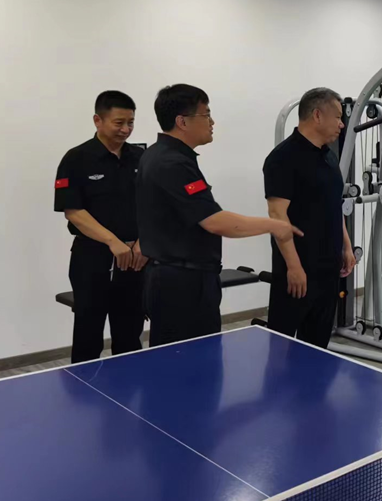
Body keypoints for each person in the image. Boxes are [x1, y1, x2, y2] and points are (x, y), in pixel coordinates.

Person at [137, 84, 301, 346]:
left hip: (178, 278)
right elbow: (215, 221)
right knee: (190, 361)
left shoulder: (159, 155)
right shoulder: (172, 163)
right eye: (206, 115)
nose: (212, 122)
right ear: (182, 121)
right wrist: (274, 225)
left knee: (187, 359)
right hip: (182, 285)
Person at [54, 90, 147, 363]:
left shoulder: (142, 157)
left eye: (130, 122)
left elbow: (155, 205)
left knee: (130, 331)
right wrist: (112, 241)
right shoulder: (76, 159)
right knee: (88, 332)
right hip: (92, 258)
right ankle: (82, 387)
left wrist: (144, 242)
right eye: (119, 123)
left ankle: (128, 384)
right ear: (98, 120)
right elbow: (73, 212)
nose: (126, 129)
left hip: (136, 258)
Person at [263, 87, 356, 348]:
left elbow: (334, 205)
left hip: (328, 268)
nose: (341, 124)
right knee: (282, 346)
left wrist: (346, 246)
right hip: (298, 269)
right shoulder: (282, 158)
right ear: (317, 115)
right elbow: (277, 215)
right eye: (337, 117)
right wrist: (294, 268)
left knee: (317, 345)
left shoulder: (329, 156)